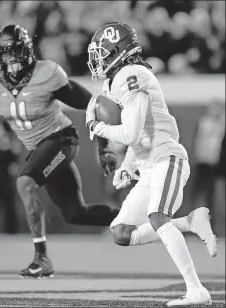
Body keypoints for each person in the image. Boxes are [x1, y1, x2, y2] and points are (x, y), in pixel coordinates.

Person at [86, 22, 217, 306]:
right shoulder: (116, 80)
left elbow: (131, 133)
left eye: (102, 53)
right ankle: (188, 222)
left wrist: (97, 127)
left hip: (167, 158)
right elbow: (140, 134)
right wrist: (128, 164)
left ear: (117, 51)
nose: (97, 59)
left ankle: (196, 290)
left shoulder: (132, 74)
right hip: (148, 163)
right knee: (121, 233)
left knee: (158, 217)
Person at [0, 24, 117, 278]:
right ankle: (137, 217)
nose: (12, 59)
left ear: (28, 51)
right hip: (39, 148)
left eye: (16, 52)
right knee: (76, 213)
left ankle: (41, 257)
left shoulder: (47, 74)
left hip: (61, 139)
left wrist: (104, 146)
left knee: (25, 182)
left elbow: (93, 105)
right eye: (6, 54)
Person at [191, 99, 225, 229]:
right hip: (202, 162)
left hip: (215, 164)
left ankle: (211, 224)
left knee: (212, 195)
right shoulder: (204, 122)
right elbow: (198, 141)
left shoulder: (221, 124)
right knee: (198, 193)